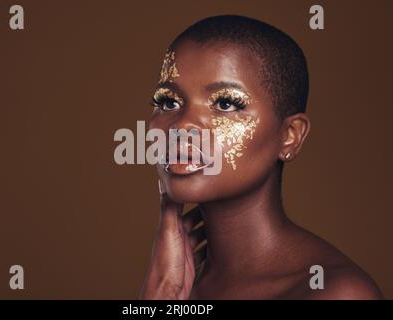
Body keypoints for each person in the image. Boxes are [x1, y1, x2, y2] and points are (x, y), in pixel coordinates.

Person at [140, 15, 382, 299]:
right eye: (168, 101)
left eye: (226, 103)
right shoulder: (176, 283)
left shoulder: (335, 293)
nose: (181, 126)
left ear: (290, 136)